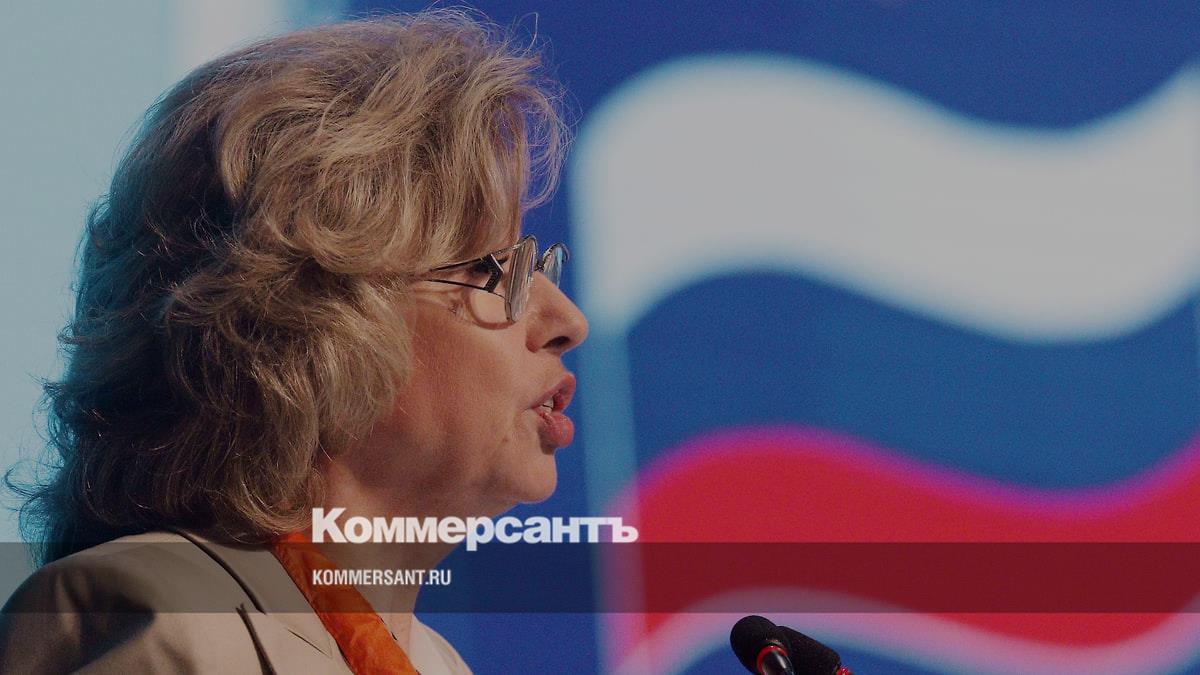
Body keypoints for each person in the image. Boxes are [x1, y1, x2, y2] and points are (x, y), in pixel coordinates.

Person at [0, 9, 587, 674]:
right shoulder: (161, 619)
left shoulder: (439, 664)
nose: (569, 319)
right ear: (310, 317)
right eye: (499, 270)